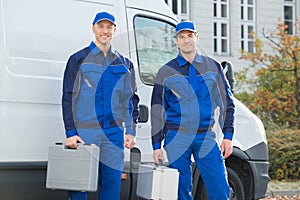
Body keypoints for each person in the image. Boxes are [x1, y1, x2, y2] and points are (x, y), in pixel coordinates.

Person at [151, 21, 235, 200]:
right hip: (176, 136)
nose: (186, 40)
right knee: (180, 191)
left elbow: (226, 103)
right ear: (176, 41)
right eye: (181, 37)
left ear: (197, 38)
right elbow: (157, 110)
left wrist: (227, 136)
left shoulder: (213, 67)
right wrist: (156, 145)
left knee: (220, 187)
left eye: (190, 36)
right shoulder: (166, 71)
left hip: (204, 135)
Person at [62, 12, 139, 200]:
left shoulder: (124, 64)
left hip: (113, 134)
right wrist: (71, 133)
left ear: (114, 30)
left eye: (109, 27)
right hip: (86, 132)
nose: (105, 31)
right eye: (100, 26)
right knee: (79, 187)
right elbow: (68, 98)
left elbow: (130, 101)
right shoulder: (78, 60)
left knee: (112, 185)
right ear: (93, 28)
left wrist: (130, 131)